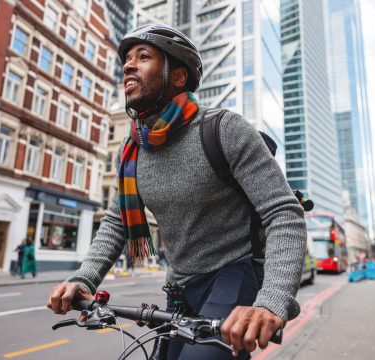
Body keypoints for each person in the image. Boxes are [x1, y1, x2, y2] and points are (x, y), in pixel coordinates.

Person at [47, 24, 306, 359]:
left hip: (236, 272)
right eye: (127, 58)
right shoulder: (132, 152)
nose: (128, 65)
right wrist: (84, 279)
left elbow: (284, 213)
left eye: (143, 56)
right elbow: (116, 224)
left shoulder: (223, 129)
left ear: (179, 77)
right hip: (182, 285)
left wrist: (271, 302)